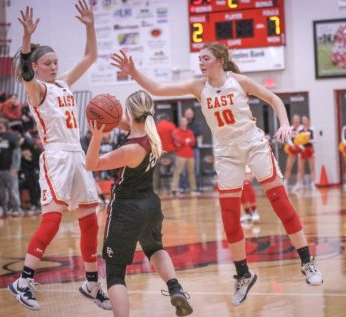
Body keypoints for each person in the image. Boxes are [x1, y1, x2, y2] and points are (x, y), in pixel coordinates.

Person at [111, 42, 323, 306]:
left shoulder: (240, 81)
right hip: (226, 152)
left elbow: (274, 99)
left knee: (280, 202)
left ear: (220, 60)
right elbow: (156, 89)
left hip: (253, 144)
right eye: (199, 59)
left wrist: (284, 124)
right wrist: (134, 72)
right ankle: (243, 275)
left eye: (206, 58)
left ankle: (307, 262)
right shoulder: (198, 87)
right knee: (230, 216)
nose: (201, 62)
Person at [7, 2, 111, 311]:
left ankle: (92, 283)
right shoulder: (36, 89)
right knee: (52, 218)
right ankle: (22, 281)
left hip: (77, 155)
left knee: (89, 219)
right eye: (48, 63)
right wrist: (26, 39)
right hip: (56, 157)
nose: (53, 67)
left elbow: (91, 56)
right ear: (37, 67)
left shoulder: (64, 83)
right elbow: (24, 70)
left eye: (55, 62)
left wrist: (90, 25)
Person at [85, 90, 193, 317]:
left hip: (126, 208)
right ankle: (175, 288)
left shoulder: (130, 149)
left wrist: (96, 136)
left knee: (115, 273)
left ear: (129, 112)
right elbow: (127, 122)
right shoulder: (151, 135)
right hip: (151, 205)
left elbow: (91, 164)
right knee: (155, 249)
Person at [0, 118, 22, 217]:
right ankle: (5, 209)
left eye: (0, 124)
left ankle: (16, 208)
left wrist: (15, 167)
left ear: (5, 125)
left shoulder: (12, 136)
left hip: (10, 169)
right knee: (1, 191)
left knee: (13, 190)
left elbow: (17, 153)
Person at [171, 117, 198, 196]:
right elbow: (177, 140)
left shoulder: (190, 132)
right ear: (180, 122)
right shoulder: (176, 131)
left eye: (184, 121)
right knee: (177, 172)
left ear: (187, 123)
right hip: (180, 155)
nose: (183, 122)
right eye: (182, 121)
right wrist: (186, 141)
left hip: (190, 155)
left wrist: (183, 141)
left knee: (191, 173)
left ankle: (193, 189)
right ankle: (174, 189)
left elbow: (193, 142)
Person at [155, 113, 177, 193]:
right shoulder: (171, 125)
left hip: (161, 153)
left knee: (160, 171)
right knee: (174, 170)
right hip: (171, 152)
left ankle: (160, 188)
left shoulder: (156, 127)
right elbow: (176, 138)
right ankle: (172, 187)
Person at [183, 107, 203, 190]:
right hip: (184, 150)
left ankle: (198, 187)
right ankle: (185, 187)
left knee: (196, 169)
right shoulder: (182, 124)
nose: (189, 115)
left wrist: (200, 144)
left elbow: (199, 136)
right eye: (188, 113)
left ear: (193, 115)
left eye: (190, 113)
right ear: (185, 114)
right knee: (184, 170)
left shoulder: (196, 124)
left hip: (194, 149)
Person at [294, 115, 316, 190]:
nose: (304, 122)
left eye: (305, 120)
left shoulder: (312, 129)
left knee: (312, 167)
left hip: (310, 149)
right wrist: (302, 147)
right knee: (300, 168)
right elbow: (297, 141)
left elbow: (314, 140)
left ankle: (313, 183)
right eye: (303, 120)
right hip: (301, 150)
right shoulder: (300, 130)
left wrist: (307, 140)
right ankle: (298, 183)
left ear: (308, 121)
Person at [283, 114, 301, 187]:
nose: (296, 121)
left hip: (300, 149)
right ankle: (285, 183)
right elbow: (288, 139)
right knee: (288, 167)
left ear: (299, 120)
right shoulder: (290, 128)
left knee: (300, 167)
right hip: (292, 149)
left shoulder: (301, 128)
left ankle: (299, 183)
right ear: (293, 120)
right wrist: (293, 146)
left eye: (297, 119)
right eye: (295, 119)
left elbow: (304, 139)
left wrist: (298, 146)